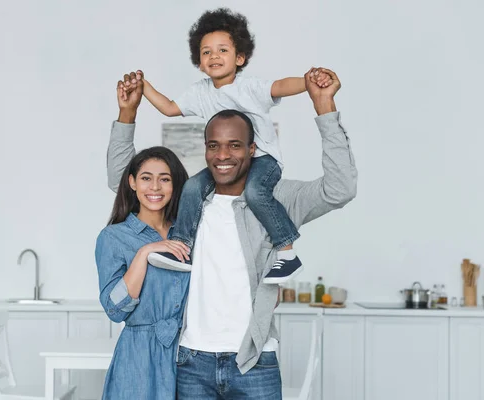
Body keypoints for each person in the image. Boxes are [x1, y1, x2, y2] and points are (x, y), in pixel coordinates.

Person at [109, 65, 357, 399]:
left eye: (235, 145)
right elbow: (121, 181)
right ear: (206, 149)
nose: (223, 155)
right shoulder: (186, 201)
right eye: (214, 146)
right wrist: (127, 113)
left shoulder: (279, 198)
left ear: (253, 150)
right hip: (190, 361)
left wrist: (324, 107)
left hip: (254, 361)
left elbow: (340, 189)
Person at [123, 8, 334, 284]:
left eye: (223, 50)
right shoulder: (200, 92)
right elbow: (170, 108)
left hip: (262, 159)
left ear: (240, 57)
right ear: (199, 62)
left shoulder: (249, 88)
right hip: (226, 166)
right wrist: (144, 86)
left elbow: (280, 86)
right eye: (207, 52)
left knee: (257, 193)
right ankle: (181, 248)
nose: (214, 57)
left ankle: (287, 252)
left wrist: (309, 82)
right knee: (191, 188)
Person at [94, 79, 192, 399]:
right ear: (132, 183)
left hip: (191, 356)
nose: (155, 187)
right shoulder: (115, 237)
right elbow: (115, 309)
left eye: (165, 179)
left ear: (175, 186)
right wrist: (145, 252)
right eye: (146, 178)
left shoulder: (189, 231)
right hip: (138, 359)